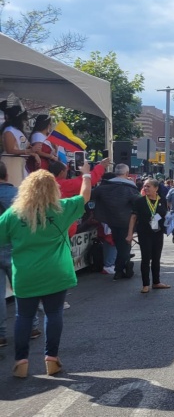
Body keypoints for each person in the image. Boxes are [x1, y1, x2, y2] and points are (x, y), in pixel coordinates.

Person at [0, 169, 92, 377]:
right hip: (55, 272)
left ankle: (21, 360)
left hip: (25, 273)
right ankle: (51, 358)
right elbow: (85, 196)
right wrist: (86, 174)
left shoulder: (14, 214)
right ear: (54, 189)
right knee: (53, 313)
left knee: (23, 316)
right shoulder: (62, 208)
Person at [0, 163, 41, 348]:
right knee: (24, 291)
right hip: (18, 247)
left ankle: (0, 335)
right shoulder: (19, 195)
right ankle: (31, 327)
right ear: (7, 175)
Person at [91, 164, 138, 280]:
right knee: (124, 247)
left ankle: (121, 267)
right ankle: (119, 269)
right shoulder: (130, 188)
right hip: (126, 221)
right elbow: (138, 203)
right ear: (127, 174)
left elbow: (90, 195)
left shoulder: (103, 187)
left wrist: (96, 212)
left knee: (117, 244)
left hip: (109, 220)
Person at [127, 179, 170, 294]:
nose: (145, 188)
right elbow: (133, 217)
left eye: (148, 186)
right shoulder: (140, 201)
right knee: (146, 258)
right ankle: (145, 284)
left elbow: (165, 214)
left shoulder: (162, 200)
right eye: (144, 186)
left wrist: (169, 223)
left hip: (158, 232)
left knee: (156, 258)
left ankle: (156, 282)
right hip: (144, 233)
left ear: (156, 188)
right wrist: (130, 234)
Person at [1, 105, 37, 184]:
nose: (25, 121)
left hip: (18, 162)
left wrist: (34, 152)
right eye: (24, 118)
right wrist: (28, 151)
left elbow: (26, 146)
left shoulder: (18, 131)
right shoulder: (9, 131)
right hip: (10, 162)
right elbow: (10, 150)